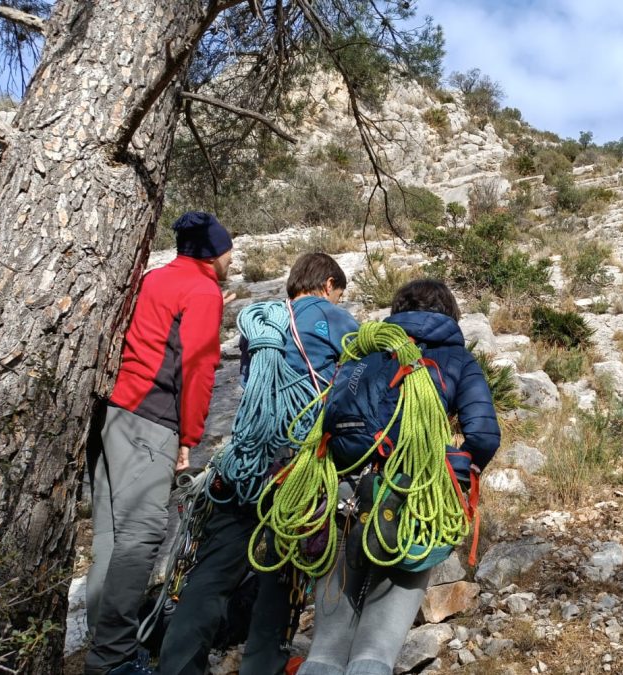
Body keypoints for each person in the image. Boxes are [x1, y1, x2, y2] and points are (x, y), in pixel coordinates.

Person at [158, 252, 359, 675]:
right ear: (327, 285)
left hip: (245, 460)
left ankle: (177, 665)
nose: (336, 302)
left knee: (214, 569)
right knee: (283, 564)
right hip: (295, 465)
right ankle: (263, 662)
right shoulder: (334, 319)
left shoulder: (262, 322)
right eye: (337, 294)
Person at [298, 279, 501, 675]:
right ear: (450, 314)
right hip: (408, 502)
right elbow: (483, 434)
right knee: (376, 650)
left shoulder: (364, 349)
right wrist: (454, 475)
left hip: (342, 495)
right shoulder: (455, 357)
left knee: (323, 651)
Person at [85, 212, 234, 675]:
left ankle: (103, 648)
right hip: (152, 420)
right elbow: (198, 368)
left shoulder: (155, 277)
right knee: (142, 535)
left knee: (111, 537)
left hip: (114, 415)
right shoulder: (204, 290)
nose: (232, 258)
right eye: (229, 250)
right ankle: (114, 659)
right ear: (214, 253)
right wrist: (189, 437)